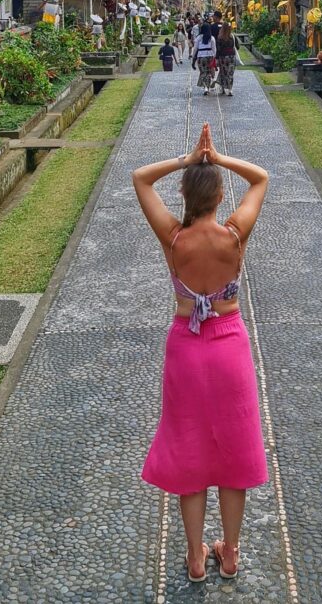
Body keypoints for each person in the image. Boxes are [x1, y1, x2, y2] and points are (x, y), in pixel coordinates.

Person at [133, 122, 269, 582]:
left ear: (187, 198)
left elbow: (139, 178)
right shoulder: (234, 236)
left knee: (189, 452)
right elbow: (262, 178)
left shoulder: (174, 239)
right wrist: (218, 158)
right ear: (217, 199)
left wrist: (189, 159)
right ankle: (229, 554)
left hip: (186, 350)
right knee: (233, 454)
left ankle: (195, 558)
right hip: (229, 346)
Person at [192, 21, 217, 94]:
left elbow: (195, 48)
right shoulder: (212, 38)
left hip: (201, 56)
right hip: (209, 55)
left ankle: (205, 87)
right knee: (209, 72)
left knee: (203, 72)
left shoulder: (199, 38)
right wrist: (214, 57)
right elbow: (214, 48)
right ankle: (208, 87)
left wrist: (193, 58)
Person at [215, 21, 238, 97]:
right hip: (231, 57)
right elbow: (237, 46)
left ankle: (223, 88)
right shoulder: (232, 36)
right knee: (230, 73)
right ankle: (230, 89)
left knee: (223, 72)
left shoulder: (220, 37)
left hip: (223, 57)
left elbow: (218, 49)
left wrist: (217, 58)